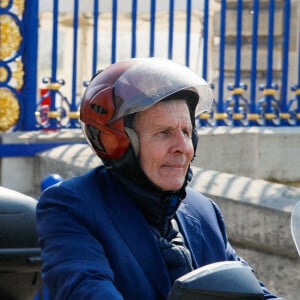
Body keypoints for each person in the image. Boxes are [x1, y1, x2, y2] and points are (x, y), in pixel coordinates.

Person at [36, 57, 282, 299]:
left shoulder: (203, 212)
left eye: (186, 132)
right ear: (118, 144)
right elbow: (86, 288)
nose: (182, 147)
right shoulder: (72, 207)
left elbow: (252, 292)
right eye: (164, 133)